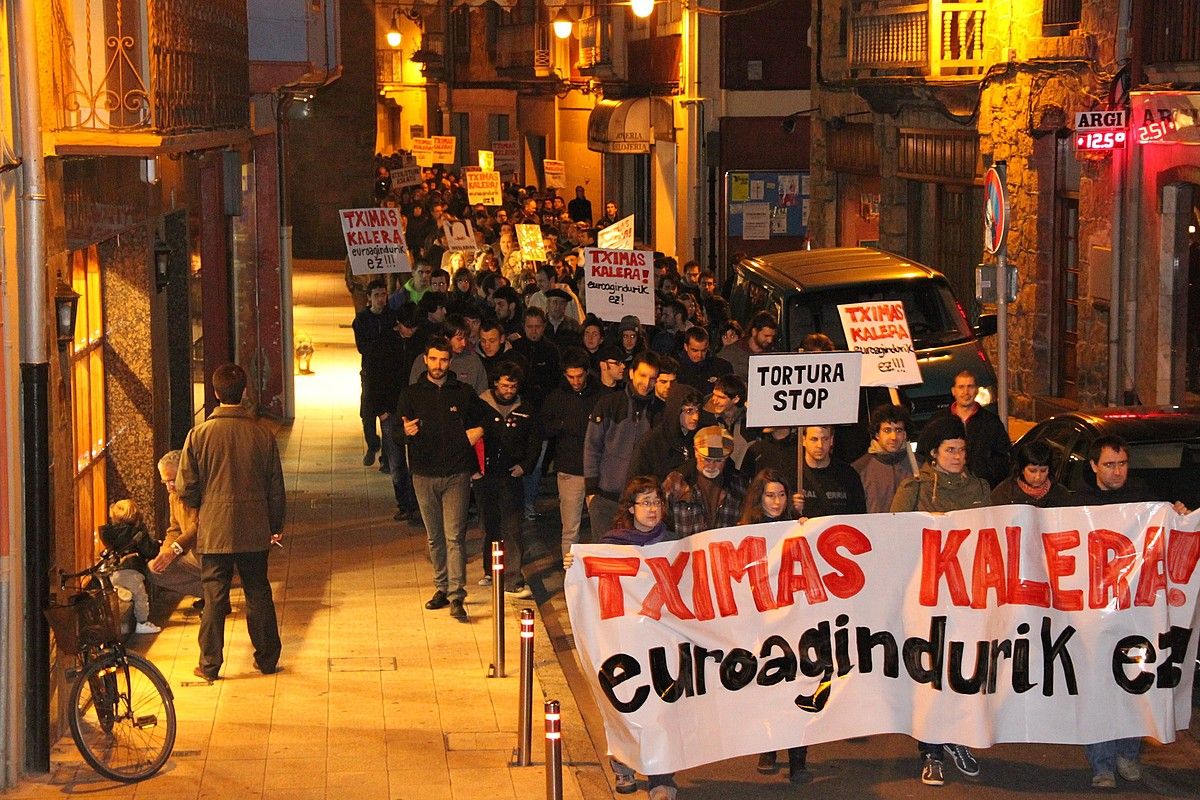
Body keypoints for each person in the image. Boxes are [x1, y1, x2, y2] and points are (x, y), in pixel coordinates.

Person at [1069, 433, 1189, 789]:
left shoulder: (1145, 499)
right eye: (1109, 464)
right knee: (1098, 687)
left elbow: (1168, 531)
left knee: (1133, 681)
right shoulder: (1078, 505)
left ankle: (1128, 753)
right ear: (1093, 467)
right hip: (1092, 614)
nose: (1118, 471)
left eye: (1122, 464)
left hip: (1135, 612)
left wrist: (1179, 516)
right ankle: (1102, 763)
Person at [563, 476, 680, 799]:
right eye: (645, 503)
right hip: (622, 641)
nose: (653, 509)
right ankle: (623, 765)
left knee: (662, 708)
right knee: (623, 703)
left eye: (657, 502)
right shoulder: (612, 545)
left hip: (661, 642)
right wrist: (574, 565)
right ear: (631, 508)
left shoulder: (673, 543)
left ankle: (661, 776)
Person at [889, 415, 988, 785]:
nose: (958, 456)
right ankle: (931, 749)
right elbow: (895, 536)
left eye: (962, 449)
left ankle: (959, 738)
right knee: (931, 671)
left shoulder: (979, 487)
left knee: (964, 668)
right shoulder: (914, 489)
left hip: (968, 595)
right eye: (950, 450)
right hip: (926, 596)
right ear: (933, 453)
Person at [178, 363, 285, 680]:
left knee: (214, 596)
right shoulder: (262, 435)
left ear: (214, 393)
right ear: (245, 393)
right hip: (253, 527)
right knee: (258, 591)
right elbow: (275, 488)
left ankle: (210, 664)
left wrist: (203, 506)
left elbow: (186, 486)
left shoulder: (199, 435)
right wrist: (275, 525)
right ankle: (267, 658)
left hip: (215, 529)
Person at [394, 338, 487, 622]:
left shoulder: (463, 392)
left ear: (450, 361)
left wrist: (477, 431)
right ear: (425, 359)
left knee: (454, 537)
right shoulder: (410, 394)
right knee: (435, 538)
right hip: (423, 474)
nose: (438, 365)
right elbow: (396, 436)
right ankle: (441, 588)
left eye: (443, 360)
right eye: (433, 359)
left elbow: (484, 421)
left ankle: (457, 594)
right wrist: (405, 433)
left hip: (456, 474)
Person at [739, 468, 807, 782]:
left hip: (794, 620)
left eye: (781, 494)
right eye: (770, 495)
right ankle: (768, 746)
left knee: (796, 685)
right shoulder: (744, 531)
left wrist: (808, 528)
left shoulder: (798, 526)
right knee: (766, 684)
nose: (776, 501)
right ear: (759, 497)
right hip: (763, 622)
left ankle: (798, 755)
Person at [475, 360, 541, 598]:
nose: (509, 391)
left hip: (511, 477)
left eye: (513, 387)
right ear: (495, 384)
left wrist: (525, 466)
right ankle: (490, 571)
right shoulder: (480, 405)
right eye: (504, 386)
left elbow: (535, 441)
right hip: (485, 476)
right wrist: (474, 469)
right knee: (488, 525)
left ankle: (512, 577)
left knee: (512, 527)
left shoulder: (526, 409)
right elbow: (469, 438)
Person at [584, 350, 661, 536]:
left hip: (640, 502)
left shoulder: (659, 411)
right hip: (605, 498)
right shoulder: (609, 403)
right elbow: (592, 447)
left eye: (652, 378)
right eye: (643, 375)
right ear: (632, 373)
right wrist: (591, 491)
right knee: (604, 556)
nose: (647, 383)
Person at [540, 349, 604, 557]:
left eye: (579, 376)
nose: (575, 381)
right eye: (570, 377)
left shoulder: (599, 396)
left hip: (596, 470)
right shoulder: (556, 397)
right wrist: (564, 425)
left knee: (600, 528)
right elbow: (543, 427)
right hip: (569, 469)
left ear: (587, 372)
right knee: (570, 529)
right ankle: (571, 579)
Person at [916, 370, 1011, 488]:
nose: (966, 392)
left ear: (976, 390)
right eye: (961, 387)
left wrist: (985, 476)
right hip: (944, 488)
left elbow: (1003, 457)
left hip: (980, 488)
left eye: (970, 386)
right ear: (953, 391)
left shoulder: (991, 422)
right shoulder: (938, 421)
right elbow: (923, 452)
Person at [663, 425, 748, 537]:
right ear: (696, 452)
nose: (711, 465)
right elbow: (662, 525)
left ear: (727, 458)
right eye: (706, 459)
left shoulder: (739, 485)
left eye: (718, 461)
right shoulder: (676, 483)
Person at [353, 279, 398, 468]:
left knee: (388, 416)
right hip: (370, 373)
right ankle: (372, 443)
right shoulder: (362, 320)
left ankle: (387, 459)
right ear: (369, 298)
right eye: (377, 295)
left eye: (384, 294)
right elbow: (364, 348)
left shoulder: (393, 317)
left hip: (389, 373)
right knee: (368, 413)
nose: (381, 299)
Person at [147, 450, 204, 600]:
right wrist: (164, 552)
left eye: (172, 480)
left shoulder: (200, 492)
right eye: (165, 482)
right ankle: (212, 596)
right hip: (190, 551)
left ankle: (215, 597)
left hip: (208, 552)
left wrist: (174, 549)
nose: (169, 487)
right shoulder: (174, 496)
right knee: (155, 569)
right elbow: (174, 529)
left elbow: (199, 526)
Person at [99, 500, 161, 635]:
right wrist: (157, 545)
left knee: (125, 588)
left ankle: (122, 592)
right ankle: (142, 623)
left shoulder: (110, 533)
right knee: (140, 597)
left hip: (115, 571)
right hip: (132, 569)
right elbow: (149, 550)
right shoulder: (136, 533)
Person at [627, 384, 703, 484]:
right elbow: (636, 484)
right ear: (675, 410)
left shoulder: (700, 436)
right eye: (689, 411)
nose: (695, 417)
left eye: (698, 410)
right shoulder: (650, 443)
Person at [852, 404, 916, 513]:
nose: (893, 437)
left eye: (898, 430)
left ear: (905, 434)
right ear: (877, 434)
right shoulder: (859, 469)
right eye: (887, 430)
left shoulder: (918, 466)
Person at [798, 425, 867, 517]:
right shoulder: (793, 473)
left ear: (831, 440)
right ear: (803, 440)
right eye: (814, 439)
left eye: (825, 439)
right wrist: (792, 510)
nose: (820, 445)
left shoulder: (848, 475)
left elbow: (859, 516)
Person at [990, 440, 1073, 507]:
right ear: (1022, 469)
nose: (1038, 477)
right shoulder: (1003, 494)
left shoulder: (1061, 494)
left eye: (1043, 471)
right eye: (1032, 471)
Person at [720, 311, 778, 383]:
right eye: (766, 336)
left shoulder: (774, 355)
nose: (770, 340)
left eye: (772, 336)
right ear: (754, 332)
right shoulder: (730, 354)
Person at [676, 326, 733, 392]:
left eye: (703, 350)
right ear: (686, 346)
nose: (699, 355)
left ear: (708, 345)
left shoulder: (722, 366)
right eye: (695, 350)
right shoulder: (677, 369)